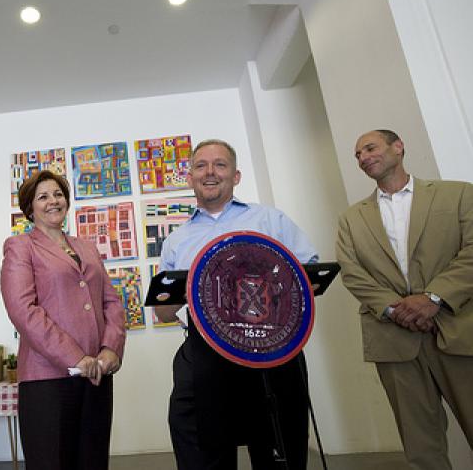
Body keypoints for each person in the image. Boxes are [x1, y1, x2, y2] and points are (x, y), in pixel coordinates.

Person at [156, 139, 318, 470]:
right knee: (201, 440)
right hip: (205, 351)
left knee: (278, 441)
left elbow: (310, 277)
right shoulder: (175, 240)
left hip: (270, 348)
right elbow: (163, 311)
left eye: (220, 164)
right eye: (200, 165)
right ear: (190, 178)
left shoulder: (270, 220)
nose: (210, 172)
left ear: (236, 175)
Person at [336, 129, 473, 470]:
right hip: (393, 338)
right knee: (421, 447)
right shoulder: (352, 218)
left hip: (458, 330)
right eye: (357, 155)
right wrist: (396, 309)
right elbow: (352, 272)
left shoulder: (457, 194)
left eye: (370, 148)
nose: (363, 157)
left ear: (398, 147)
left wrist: (434, 298)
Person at [0, 170, 126, 470]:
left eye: (58, 194)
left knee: (92, 461)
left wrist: (111, 349)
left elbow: (111, 302)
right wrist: (75, 357)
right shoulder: (20, 247)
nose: (53, 201)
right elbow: (23, 310)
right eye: (43, 196)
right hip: (47, 380)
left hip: (96, 374)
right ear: (30, 208)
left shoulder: (87, 248)